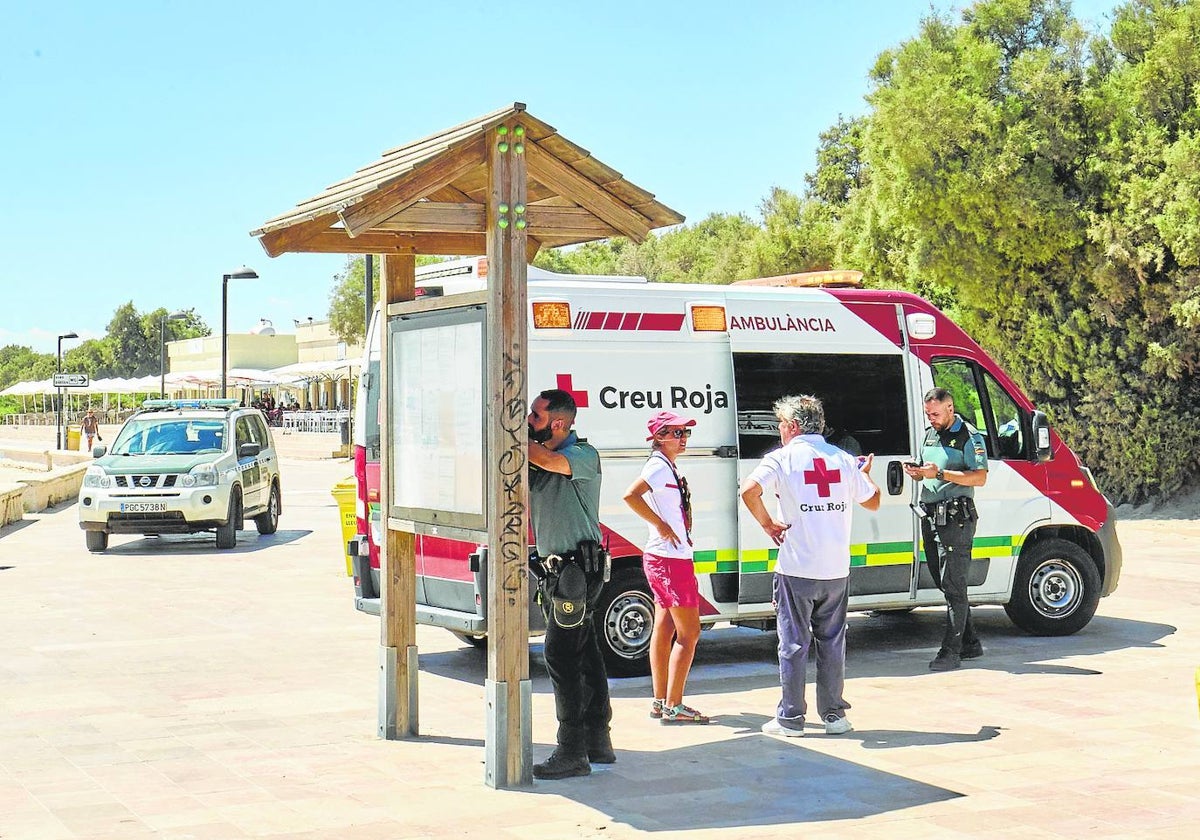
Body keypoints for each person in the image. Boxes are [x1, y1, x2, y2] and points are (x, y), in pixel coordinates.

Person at [739, 394, 880, 737]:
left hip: (797, 567)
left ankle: (791, 718)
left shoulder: (781, 459)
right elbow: (873, 501)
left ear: (792, 426)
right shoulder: (843, 459)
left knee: (793, 643)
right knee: (832, 643)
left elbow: (748, 491)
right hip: (835, 570)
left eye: (780, 424)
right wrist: (865, 476)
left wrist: (769, 524)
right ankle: (834, 716)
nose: (779, 430)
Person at [526, 388, 612, 780]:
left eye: (536, 417)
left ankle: (571, 750)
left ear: (559, 424)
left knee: (561, 657)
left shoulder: (581, 455)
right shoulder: (543, 458)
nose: (529, 421)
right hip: (561, 573)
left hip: (576, 572)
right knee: (588, 653)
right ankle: (598, 739)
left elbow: (543, 457)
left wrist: (507, 431)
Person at [622, 410, 708, 726]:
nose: (683, 438)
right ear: (658, 437)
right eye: (676, 433)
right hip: (669, 562)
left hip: (669, 559)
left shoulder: (666, 466)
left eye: (686, 433)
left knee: (665, 629)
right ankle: (674, 705)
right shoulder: (658, 467)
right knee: (690, 634)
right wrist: (659, 524)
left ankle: (661, 702)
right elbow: (630, 495)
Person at [903, 388, 989, 671]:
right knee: (945, 581)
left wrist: (939, 474)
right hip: (932, 516)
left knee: (953, 585)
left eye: (936, 413)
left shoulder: (969, 436)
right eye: (928, 414)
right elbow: (927, 469)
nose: (932, 419)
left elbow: (979, 478)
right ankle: (971, 642)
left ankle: (950, 653)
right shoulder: (930, 434)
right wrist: (918, 472)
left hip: (956, 518)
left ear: (950, 408)